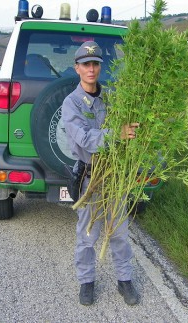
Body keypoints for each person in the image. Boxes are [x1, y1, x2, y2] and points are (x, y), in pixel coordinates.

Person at [62, 41, 139, 306]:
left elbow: (128, 130)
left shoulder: (113, 99)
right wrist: (116, 134)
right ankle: (86, 282)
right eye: (86, 64)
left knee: (118, 231)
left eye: (95, 64)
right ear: (77, 68)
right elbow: (83, 138)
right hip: (90, 178)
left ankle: (125, 280)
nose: (91, 69)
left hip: (115, 176)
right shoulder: (71, 103)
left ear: (99, 67)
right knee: (87, 235)